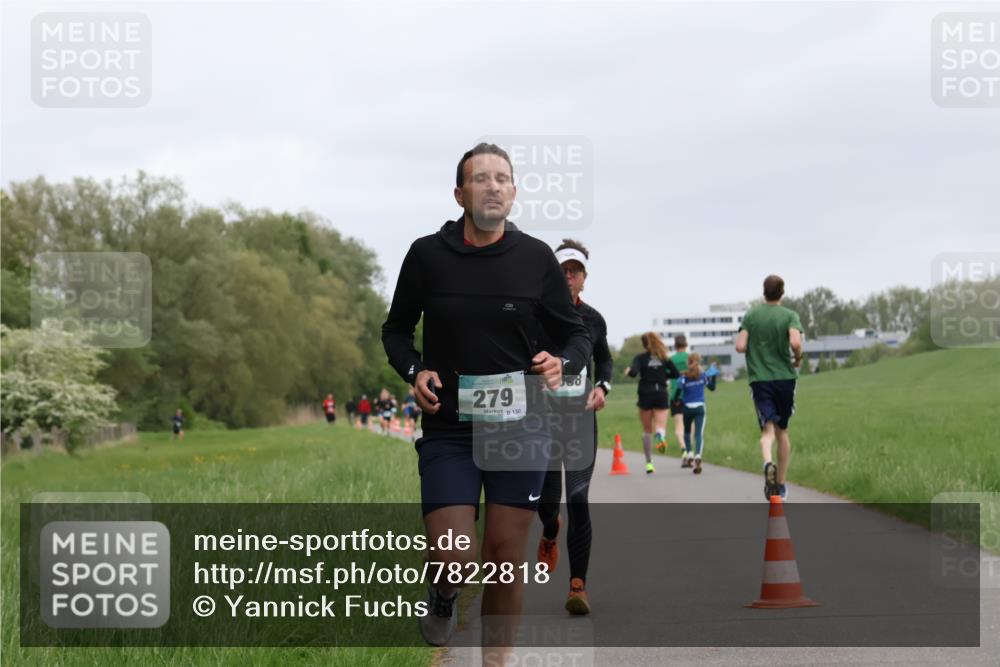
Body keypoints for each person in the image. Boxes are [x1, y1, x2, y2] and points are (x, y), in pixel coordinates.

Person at [381, 142, 591, 657]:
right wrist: (415, 369)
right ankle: (444, 591)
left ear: (514, 193)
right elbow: (396, 331)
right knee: (455, 556)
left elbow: (577, 336)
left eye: (503, 178)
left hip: (520, 428)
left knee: (501, 558)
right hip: (450, 428)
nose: (493, 185)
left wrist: (562, 361)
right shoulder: (427, 255)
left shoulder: (536, 259)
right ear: (460, 193)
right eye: (481, 178)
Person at [534, 239, 612, 616]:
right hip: (542, 421)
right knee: (546, 502)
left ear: (583, 278)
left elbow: (605, 361)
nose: (567, 277)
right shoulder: (536, 314)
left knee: (578, 497)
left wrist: (602, 387)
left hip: (580, 419)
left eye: (574, 271)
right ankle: (550, 530)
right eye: (561, 270)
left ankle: (577, 586)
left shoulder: (594, 319)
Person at [734, 274, 804, 501]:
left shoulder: (752, 315)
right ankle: (781, 487)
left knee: (768, 432)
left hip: (760, 379)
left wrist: (755, 346)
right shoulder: (790, 315)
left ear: (764, 291)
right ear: (782, 292)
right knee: (783, 432)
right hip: (785, 378)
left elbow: (740, 346)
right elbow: (795, 342)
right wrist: (798, 357)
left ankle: (767, 463)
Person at [624, 332, 680, 474]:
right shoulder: (663, 357)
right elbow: (676, 373)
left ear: (643, 344)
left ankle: (649, 463)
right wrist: (662, 375)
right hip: (661, 392)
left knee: (647, 430)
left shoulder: (640, 358)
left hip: (645, 393)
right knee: (660, 425)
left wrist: (628, 371)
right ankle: (660, 435)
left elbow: (634, 373)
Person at [670, 352, 717, 474]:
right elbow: (712, 388)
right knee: (698, 434)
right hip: (700, 408)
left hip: (687, 408)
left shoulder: (684, 376)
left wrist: (675, 400)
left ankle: (689, 452)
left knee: (686, 432)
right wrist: (714, 375)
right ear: (699, 361)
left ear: (688, 362)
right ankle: (698, 456)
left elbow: (677, 390)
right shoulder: (703, 375)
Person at [666, 335, 690, 465]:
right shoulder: (690, 358)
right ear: (686, 344)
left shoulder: (672, 359)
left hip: (675, 396)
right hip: (689, 395)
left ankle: (684, 451)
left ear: (675, 346)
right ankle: (690, 451)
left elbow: (665, 374)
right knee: (689, 427)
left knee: (679, 426)